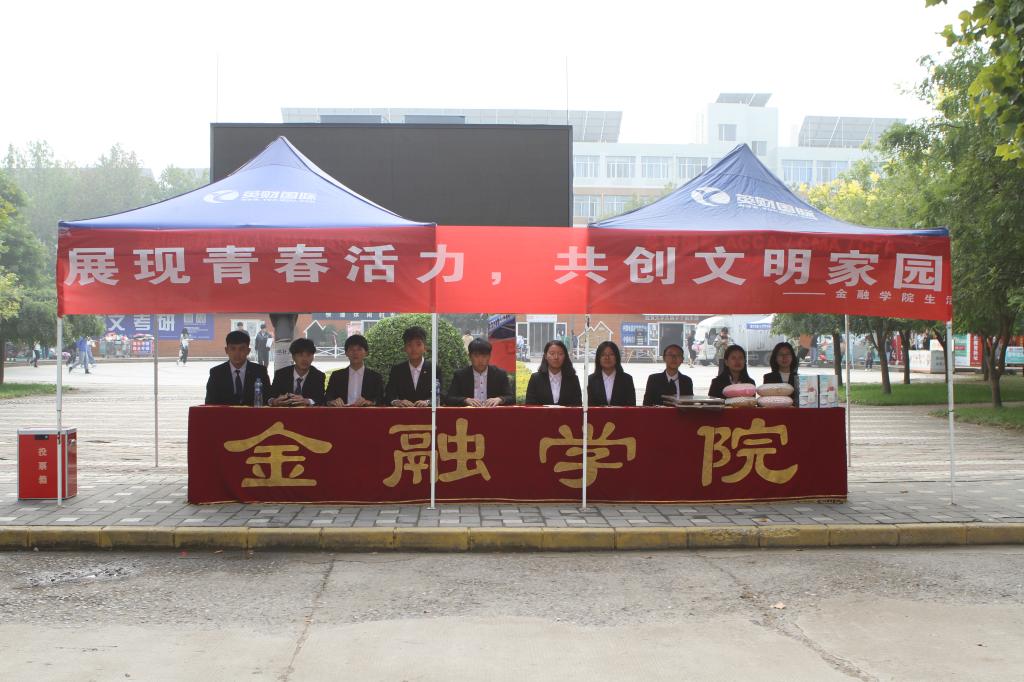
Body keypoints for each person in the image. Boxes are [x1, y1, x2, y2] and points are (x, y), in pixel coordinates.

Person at [205, 330, 271, 405]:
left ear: (248, 351)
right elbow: (210, 403)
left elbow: (268, 399)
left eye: (241, 349)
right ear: (226, 350)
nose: (237, 353)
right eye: (233, 349)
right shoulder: (216, 373)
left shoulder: (260, 371)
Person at [446, 337, 515, 406]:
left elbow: (511, 397)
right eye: (476, 356)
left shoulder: (500, 374)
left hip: (492, 411)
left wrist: (500, 399)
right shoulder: (460, 375)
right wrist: (465, 400)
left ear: (489, 356)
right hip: (469, 411)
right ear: (469, 356)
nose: (480, 360)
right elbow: (449, 398)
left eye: (484, 356)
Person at [385, 325, 443, 407]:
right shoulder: (397, 370)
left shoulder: (434, 369)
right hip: (403, 412)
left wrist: (427, 402)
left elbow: (441, 394)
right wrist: (396, 401)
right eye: (409, 345)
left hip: (427, 413)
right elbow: (389, 394)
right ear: (404, 348)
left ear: (425, 348)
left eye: (418, 344)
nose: (414, 349)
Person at [325, 334, 385, 406]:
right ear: (346, 353)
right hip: (342, 412)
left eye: (359, 349)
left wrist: (370, 402)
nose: (355, 353)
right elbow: (327, 397)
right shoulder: (336, 376)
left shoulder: (375, 377)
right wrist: (332, 401)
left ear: (366, 353)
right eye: (351, 349)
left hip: (366, 412)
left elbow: (380, 399)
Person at [267, 338, 325, 406]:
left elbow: (320, 399)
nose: (304, 359)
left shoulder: (318, 376)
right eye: (300, 355)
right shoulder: (281, 374)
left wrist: (307, 401)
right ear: (293, 357)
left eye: (308, 355)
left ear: (312, 358)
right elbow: (270, 397)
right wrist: (274, 401)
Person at [524, 339, 582, 406]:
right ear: (545, 356)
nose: (556, 357)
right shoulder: (535, 379)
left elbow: (577, 405)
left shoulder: (573, 379)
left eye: (560, 354)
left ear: (565, 356)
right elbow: (530, 404)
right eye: (552, 353)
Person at [587, 341, 636, 406]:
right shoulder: (591, 380)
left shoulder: (627, 379)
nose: (607, 358)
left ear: (617, 357)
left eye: (611, 354)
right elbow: (589, 406)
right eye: (603, 355)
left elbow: (631, 406)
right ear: (598, 358)